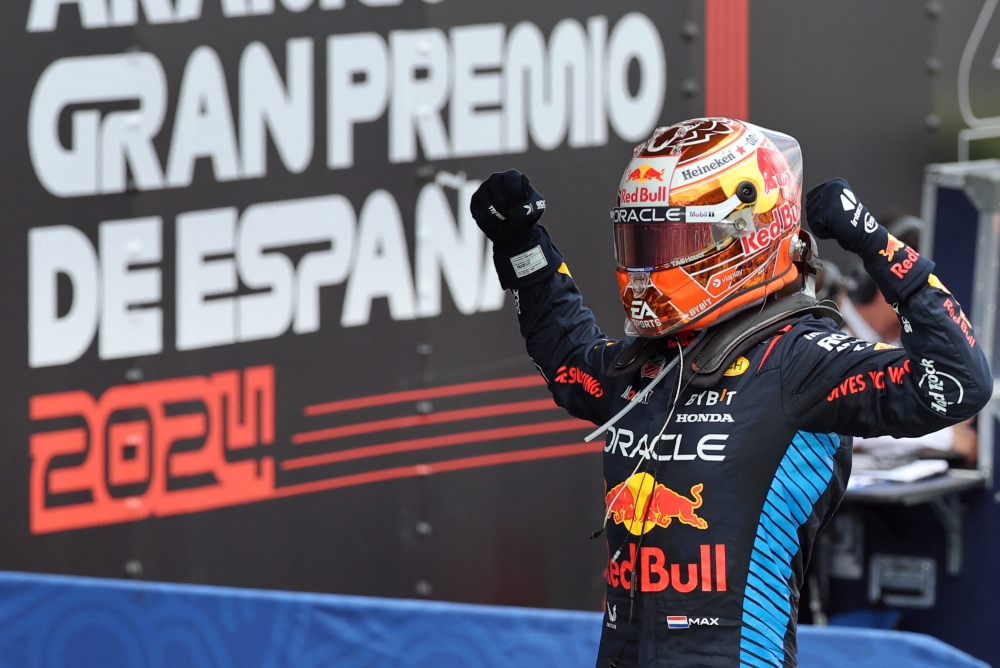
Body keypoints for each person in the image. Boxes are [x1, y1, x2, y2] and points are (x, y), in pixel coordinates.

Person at [469, 117, 992, 667]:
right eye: (641, 238)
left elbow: (959, 383)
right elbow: (569, 361)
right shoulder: (651, 361)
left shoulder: (801, 357)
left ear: (748, 233)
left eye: (674, 237)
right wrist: (523, 246)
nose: (650, 261)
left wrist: (873, 240)